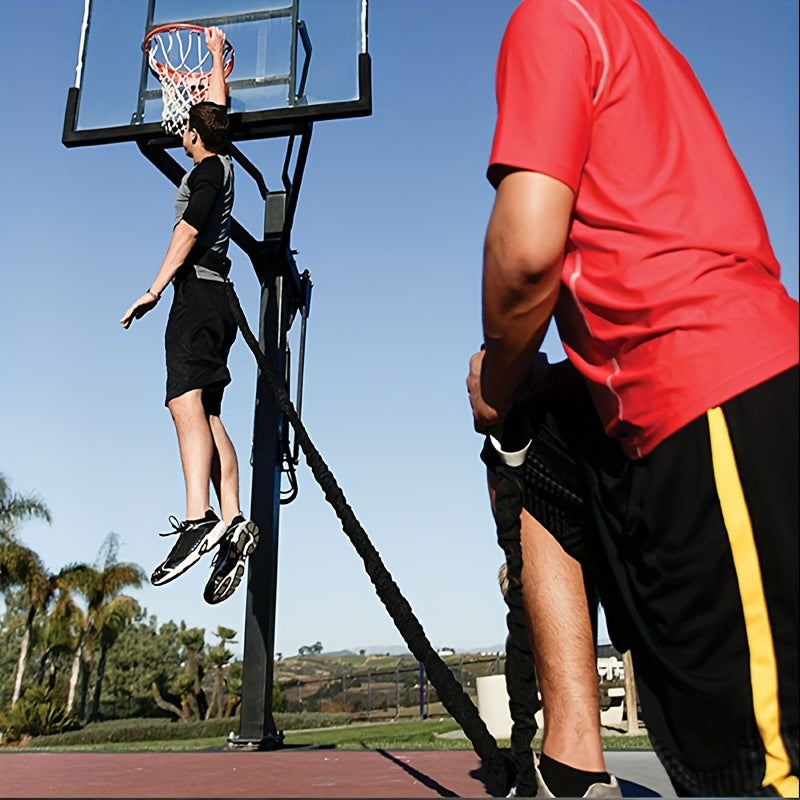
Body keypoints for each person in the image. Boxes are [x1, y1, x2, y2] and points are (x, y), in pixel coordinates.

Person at [468, 0, 798, 797]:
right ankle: (574, 765)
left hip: (714, 395)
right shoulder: (639, 35)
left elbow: (526, 252)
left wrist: (493, 382)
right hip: (696, 400)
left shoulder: (551, 18)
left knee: (765, 773)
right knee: (544, 433)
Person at [121, 27, 259, 606]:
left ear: (197, 132)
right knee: (208, 411)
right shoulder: (219, 160)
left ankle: (197, 517)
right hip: (219, 298)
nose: (179, 127)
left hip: (197, 297)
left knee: (182, 402)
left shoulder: (206, 172)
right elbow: (215, 112)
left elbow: (188, 229)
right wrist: (212, 55)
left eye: (186, 124)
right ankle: (231, 520)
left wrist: (153, 289)